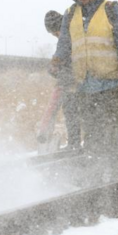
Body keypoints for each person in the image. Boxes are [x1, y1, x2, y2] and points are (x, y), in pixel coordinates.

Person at [50, 0, 118, 180]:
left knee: (117, 131)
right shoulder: (71, 15)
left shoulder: (111, 10)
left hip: (113, 84)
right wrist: (57, 59)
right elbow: (65, 44)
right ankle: (95, 173)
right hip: (86, 86)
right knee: (92, 132)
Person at [44, 10, 82, 149]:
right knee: (70, 111)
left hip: (81, 84)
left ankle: (82, 144)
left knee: (83, 113)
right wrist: (55, 70)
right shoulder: (63, 41)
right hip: (70, 84)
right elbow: (61, 61)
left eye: (56, 32)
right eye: (53, 34)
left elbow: (76, 62)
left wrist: (64, 74)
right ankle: (74, 143)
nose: (56, 36)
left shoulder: (74, 37)